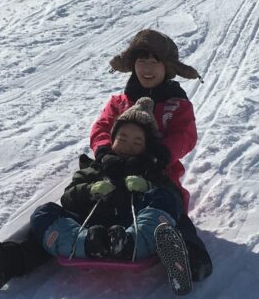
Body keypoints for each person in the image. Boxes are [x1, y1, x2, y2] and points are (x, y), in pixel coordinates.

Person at [0, 98, 195, 295]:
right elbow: (68, 198)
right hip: (88, 226)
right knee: (43, 213)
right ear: (112, 139)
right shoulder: (94, 168)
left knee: (165, 201)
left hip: (133, 226)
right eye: (122, 138)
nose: (128, 145)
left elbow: (173, 201)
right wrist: (89, 191)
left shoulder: (151, 171)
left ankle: (141, 249)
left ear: (146, 148)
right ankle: (80, 245)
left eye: (137, 142)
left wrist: (148, 186)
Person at [89, 29, 213, 281]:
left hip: (156, 175)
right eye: (141, 61)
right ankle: (18, 256)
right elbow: (101, 128)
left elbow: (185, 135)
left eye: (155, 62)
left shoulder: (176, 105)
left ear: (167, 67)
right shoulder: (120, 102)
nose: (147, 68)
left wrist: (157, 155)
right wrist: (104, 152)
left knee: (167, 207)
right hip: (114, 171)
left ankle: (189, 259)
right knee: (81, 200)